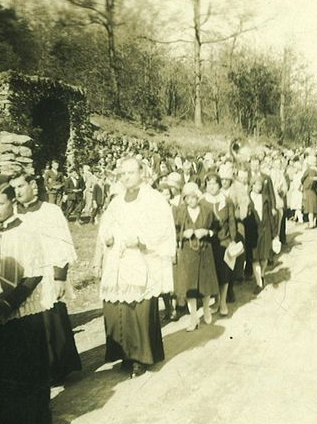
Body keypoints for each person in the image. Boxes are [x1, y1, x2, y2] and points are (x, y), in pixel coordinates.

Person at [94, 157, 176, 377]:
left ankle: (140, 357)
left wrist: (140, 240)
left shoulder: (154, 199)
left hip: (142, 258)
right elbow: (106, 226)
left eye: (130, 172)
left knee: (138, 310)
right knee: (116, 309)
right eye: (123, 173)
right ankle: (125, 354)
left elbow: (163, 229)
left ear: (142, 173)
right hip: (118, 261)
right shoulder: (116, 201)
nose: (126, 177)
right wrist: (107, 238)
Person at [0, 183, 51, 424]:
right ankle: (12, 422)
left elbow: (35, 272)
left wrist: (10, 302)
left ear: (12, 202)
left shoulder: (27, 230)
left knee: (28, 364)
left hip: (23, 308)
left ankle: (32, 419)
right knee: (5, 368)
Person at [10, 171, 82, 384]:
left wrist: (60, 277)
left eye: (20, 186)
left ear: (32, 184)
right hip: (24, 277)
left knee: (51, 320)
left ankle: (58, 368)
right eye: (14, 189)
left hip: (48, 272)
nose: (17, 192)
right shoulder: (13, 214)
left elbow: (62, 244)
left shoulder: (51, 211)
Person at [174, 182, 220, 331]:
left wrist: (207, 232)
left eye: (193, 197)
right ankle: (193, 317)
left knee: (205, 283)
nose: (191, 201)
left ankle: (206, 309)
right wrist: (183, 234)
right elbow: (174, 233)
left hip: (204, 250)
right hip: (188, 253)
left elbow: (216, 229)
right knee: (190, 285)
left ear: (198, 197)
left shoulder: (207, 211)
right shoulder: (181, 213)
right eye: (187, 198)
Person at [203, 173, 237, 315]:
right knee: (212, 274)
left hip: (224, 241)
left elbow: (232, 221)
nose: (211, 187)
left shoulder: (226, 201)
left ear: (219, 185)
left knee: (224, 273)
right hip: (208, 243)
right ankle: (216, 301)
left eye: (214, 183)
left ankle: (223, 302)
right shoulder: (202, 201)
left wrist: (233, 240)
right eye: (209, 184)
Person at [249, 173, 277, 293]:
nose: (259, 187)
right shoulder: (247, 198)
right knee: (255, 257)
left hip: (265, 230)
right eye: (256, 184)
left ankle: (262, 274)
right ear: (252, 185)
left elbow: (270, 216)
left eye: (260, 185)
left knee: (264, 256)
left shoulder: (265, 198)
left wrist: (274, 233)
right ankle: (259, 283)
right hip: (254, 231)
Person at [301, 155, 317, 228]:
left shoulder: (308, 170)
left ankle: (311, 223)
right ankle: (315, 222)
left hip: (308, 190)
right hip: (314, 191)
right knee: (314, 207)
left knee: (310, 209)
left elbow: (302, 179)